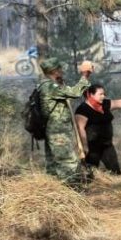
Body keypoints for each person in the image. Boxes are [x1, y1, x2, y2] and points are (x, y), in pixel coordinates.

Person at [37, 57, 94, 186]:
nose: (62, 71)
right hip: (58, 132)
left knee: (53, 163)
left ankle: (55, 191)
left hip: (54, 130)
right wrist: (85, 76)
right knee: (67, 162)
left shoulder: (50, 85)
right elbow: (75, 92)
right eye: (59, 69)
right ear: (54, 71)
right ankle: (72, 191)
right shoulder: (50, 87)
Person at [74, 83, 121, 174]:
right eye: (100, 94)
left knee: (115, 172)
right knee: (90, 173)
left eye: (104, 94)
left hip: (107, 145)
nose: (103, 96)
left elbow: (120, 102)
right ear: (91, 95)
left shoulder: (105, 104)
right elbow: (80, 128)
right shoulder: (82, 109)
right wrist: (85, 146)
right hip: (92, 147)